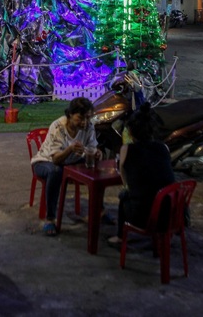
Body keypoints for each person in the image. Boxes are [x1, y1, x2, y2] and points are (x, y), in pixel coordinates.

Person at [30, 97, 101, 236]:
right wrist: (70, 149)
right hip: (45, 161)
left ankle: (100, 210)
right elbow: (56, 160)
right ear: (70, 114)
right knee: (56, 171)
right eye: (80, 118)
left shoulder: (89, 126)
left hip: (71, 162)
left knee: (96, 169)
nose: (84, 122)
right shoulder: (58, 126)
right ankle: (50, 218)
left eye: (87, 118)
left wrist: (97, 154)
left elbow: (92, 148)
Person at [107, 105, 175, 247]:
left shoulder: (127, 149)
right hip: (171, 215)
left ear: (130, 132)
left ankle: (120, 237)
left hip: (143, 217)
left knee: (124, 195)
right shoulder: (164, 148)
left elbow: (125, 181)